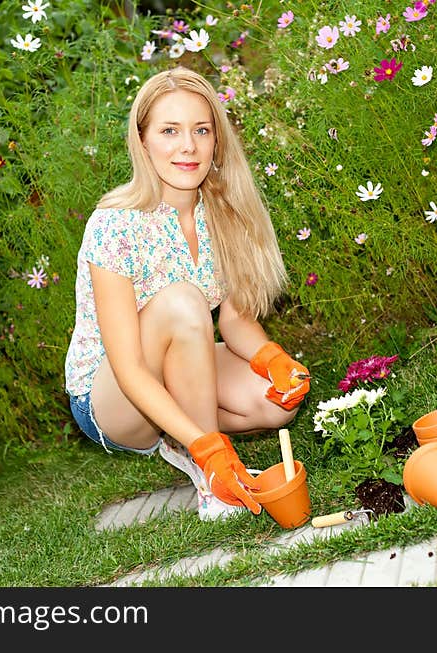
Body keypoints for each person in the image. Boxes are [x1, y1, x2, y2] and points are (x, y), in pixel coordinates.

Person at [64, 66, 310, 521]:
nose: (188, 146)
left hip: (175, 364)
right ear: (142, 142)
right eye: (169, 131)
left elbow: (235, 321)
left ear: (217, 139)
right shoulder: (115, 224)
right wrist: (208, 447)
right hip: (112, 396)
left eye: (201, 130)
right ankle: (210, 475)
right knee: (182, 301)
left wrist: (275, 360)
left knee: (271, 404)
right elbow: (130, 368)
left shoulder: (224, 212)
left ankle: (185, 437)